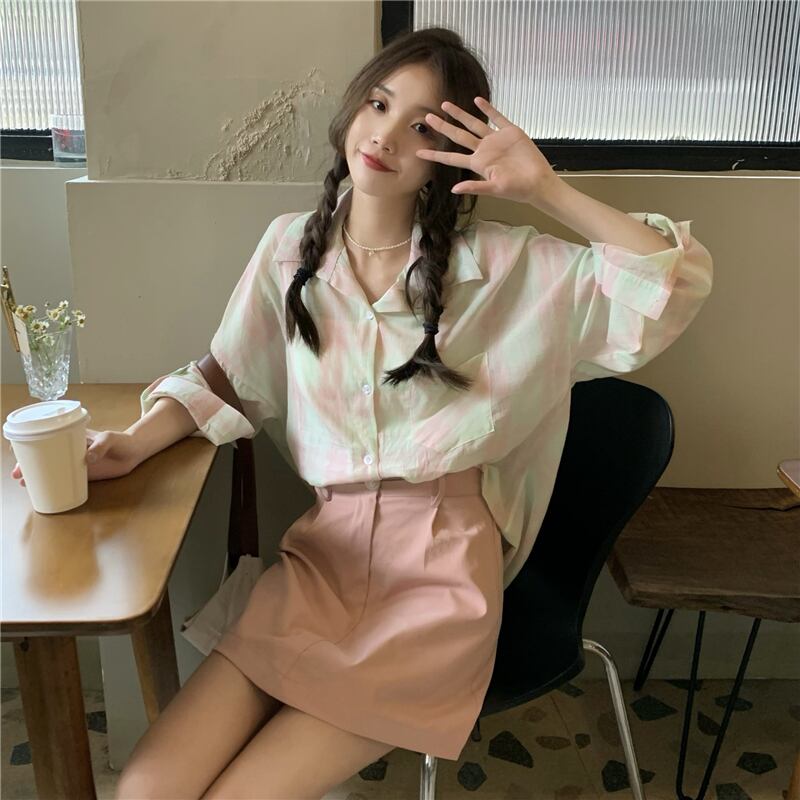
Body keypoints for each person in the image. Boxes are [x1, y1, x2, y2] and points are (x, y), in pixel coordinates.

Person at [11, 25, 714, 800]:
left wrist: (546, 189)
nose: (385, 136)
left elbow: (667, 286)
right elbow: (231, 372)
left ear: (451, 155)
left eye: (423, 127)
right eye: (379, 105)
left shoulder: (509, 266)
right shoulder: (290, 251)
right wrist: (134, 442)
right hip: (324, 558)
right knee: (145, 790)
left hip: (441, 580)